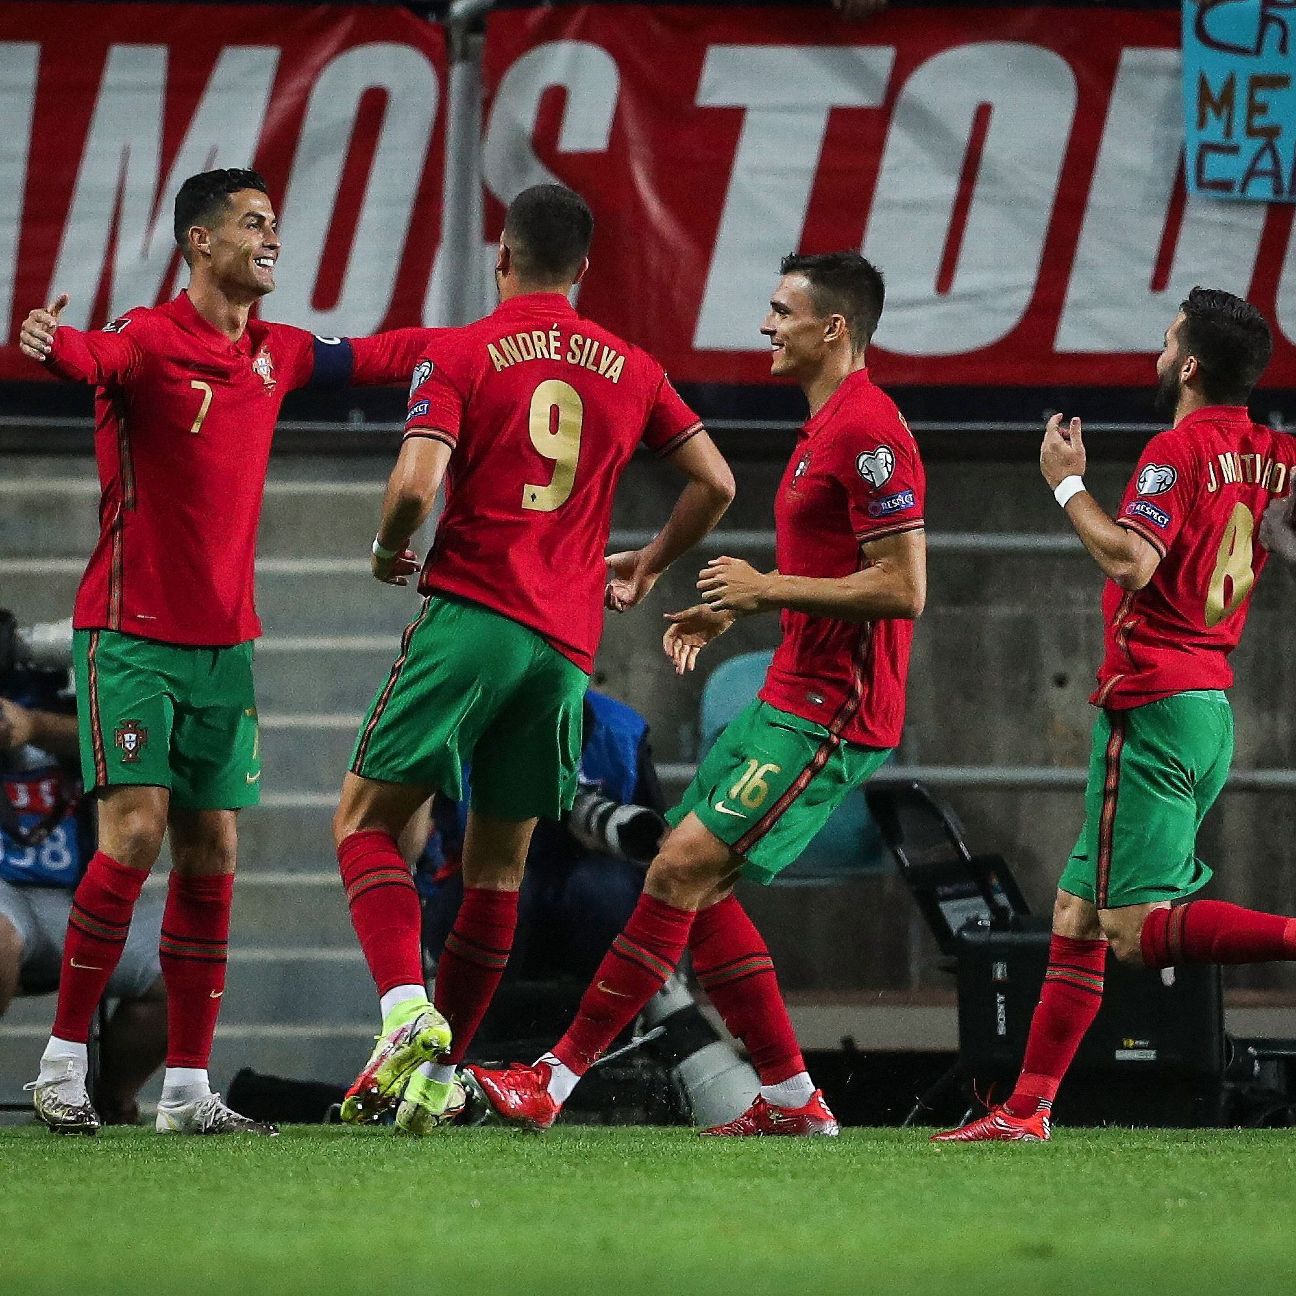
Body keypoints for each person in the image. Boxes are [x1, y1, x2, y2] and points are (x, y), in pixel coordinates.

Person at [467, 250, 927, 1136]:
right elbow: (835, 570)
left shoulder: (871, 431)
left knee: (679, 869)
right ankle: (793, 1101)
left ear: (833, 328)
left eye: (780, 310)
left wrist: (764, 590)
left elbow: (903, 588)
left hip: (832, 712)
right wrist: (741, 611)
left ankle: (552, 1082)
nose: (765, 325)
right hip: (792, 690)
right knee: (693, 878)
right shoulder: (827, 426)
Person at [18, 167, 435, 1136]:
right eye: (254, 223)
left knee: (215, 852)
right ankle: (62, 1067)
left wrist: (492, 342)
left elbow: (388, 354)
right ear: (200, 243)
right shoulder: (145, 336)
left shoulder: (275, 354)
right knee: (133, 836)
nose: (271, 237)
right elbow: (87, 358)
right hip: (129, 638)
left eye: (274, 222)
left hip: (225, 648)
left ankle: (186, 1092)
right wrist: (49, 343)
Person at [332, 182, 736, 1136]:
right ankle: (441, 1078)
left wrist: (391, 551)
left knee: (363, 825)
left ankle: (403, 1016)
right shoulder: (632, 366)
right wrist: (649, 562)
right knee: (497, 870)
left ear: (500, 257)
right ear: (585, 270)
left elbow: (415, 483)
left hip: (472, 616)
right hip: (563, 649)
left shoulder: (464, 350)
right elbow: (714, 481)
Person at [936, 287, 1296, 1143]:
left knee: (1131, 933)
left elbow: (1132, 562)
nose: (1157, 354)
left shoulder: (1177, 450)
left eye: (1168, 340)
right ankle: (1026, 1110)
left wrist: (1066, 487)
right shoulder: (1272, 452)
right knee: (1076, 916)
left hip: (1154, 705)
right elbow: (1276, 522)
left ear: (1192, 366)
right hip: (1204, 705)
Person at [0, 622, 166, 1124]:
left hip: (77, 897)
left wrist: (31, 725)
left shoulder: (81, 702)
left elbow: (115, 743)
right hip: (6, 896)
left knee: (178, 966)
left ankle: (111, 1099)